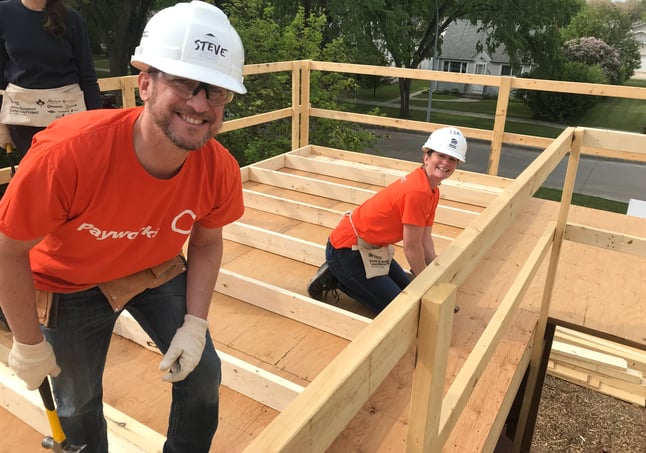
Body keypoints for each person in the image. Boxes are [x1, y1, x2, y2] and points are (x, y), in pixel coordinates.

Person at [0, 1, 246, 452]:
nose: (199, 103)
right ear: (146, 83)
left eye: (215, 91)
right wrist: (27, 341)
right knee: (77, 404)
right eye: (184, 84)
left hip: (153, 268)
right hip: (66, 282)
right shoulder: (68, 155)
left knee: (204, 373)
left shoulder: (218, 169)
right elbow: (7, 250)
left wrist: (195, 324)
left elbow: (208, 242)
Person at [307, 126, 468, 315]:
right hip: (346, 251)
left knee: (407, 290)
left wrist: (436, 279)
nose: (445, 162)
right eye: (440, 156)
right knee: (402, 312)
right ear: (426, 157)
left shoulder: (432, 190)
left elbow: (425, 239)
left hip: (372, 249)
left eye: (452, 159)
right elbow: (412, 247)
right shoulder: (417, 191)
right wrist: (426, 285)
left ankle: (348, 276)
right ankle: (337, 277)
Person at [0, 0, 102, 156]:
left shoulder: (72, 18)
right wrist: (1, 126)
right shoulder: (3, 13)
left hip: (68, 118)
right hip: (23, 120)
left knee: (69, 172)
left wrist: (97, 123)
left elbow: (87, 76)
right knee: (35, 175)